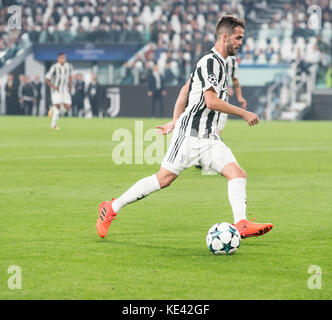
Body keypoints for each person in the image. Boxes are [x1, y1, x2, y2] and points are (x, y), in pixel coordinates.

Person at [96, 16, 273, 239]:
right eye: (238, 38)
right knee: (163, 180)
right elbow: (211, 101)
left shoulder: (220, 63)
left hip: (209, 137)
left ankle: (241, 223)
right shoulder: (210, 62)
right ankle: (111, 208)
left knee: (237, 174)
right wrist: (243, 113)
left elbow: (184, 91)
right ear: (224, 36)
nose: (241, 42)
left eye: (242, 38)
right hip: (190, 135)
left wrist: (173, 119)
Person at [45, 53, 73, 130]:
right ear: (58, 59)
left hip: (65, 90)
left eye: (64, 58)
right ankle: (53, 125)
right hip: (56, 90)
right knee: (58, 108)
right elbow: (47, 79)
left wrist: (70, 86)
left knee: (68, 107)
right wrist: (53, 86)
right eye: (61, 58)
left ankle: (52, 109)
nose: (63, 59)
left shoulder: (69, 66)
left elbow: (70, 77)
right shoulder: (54, 67)